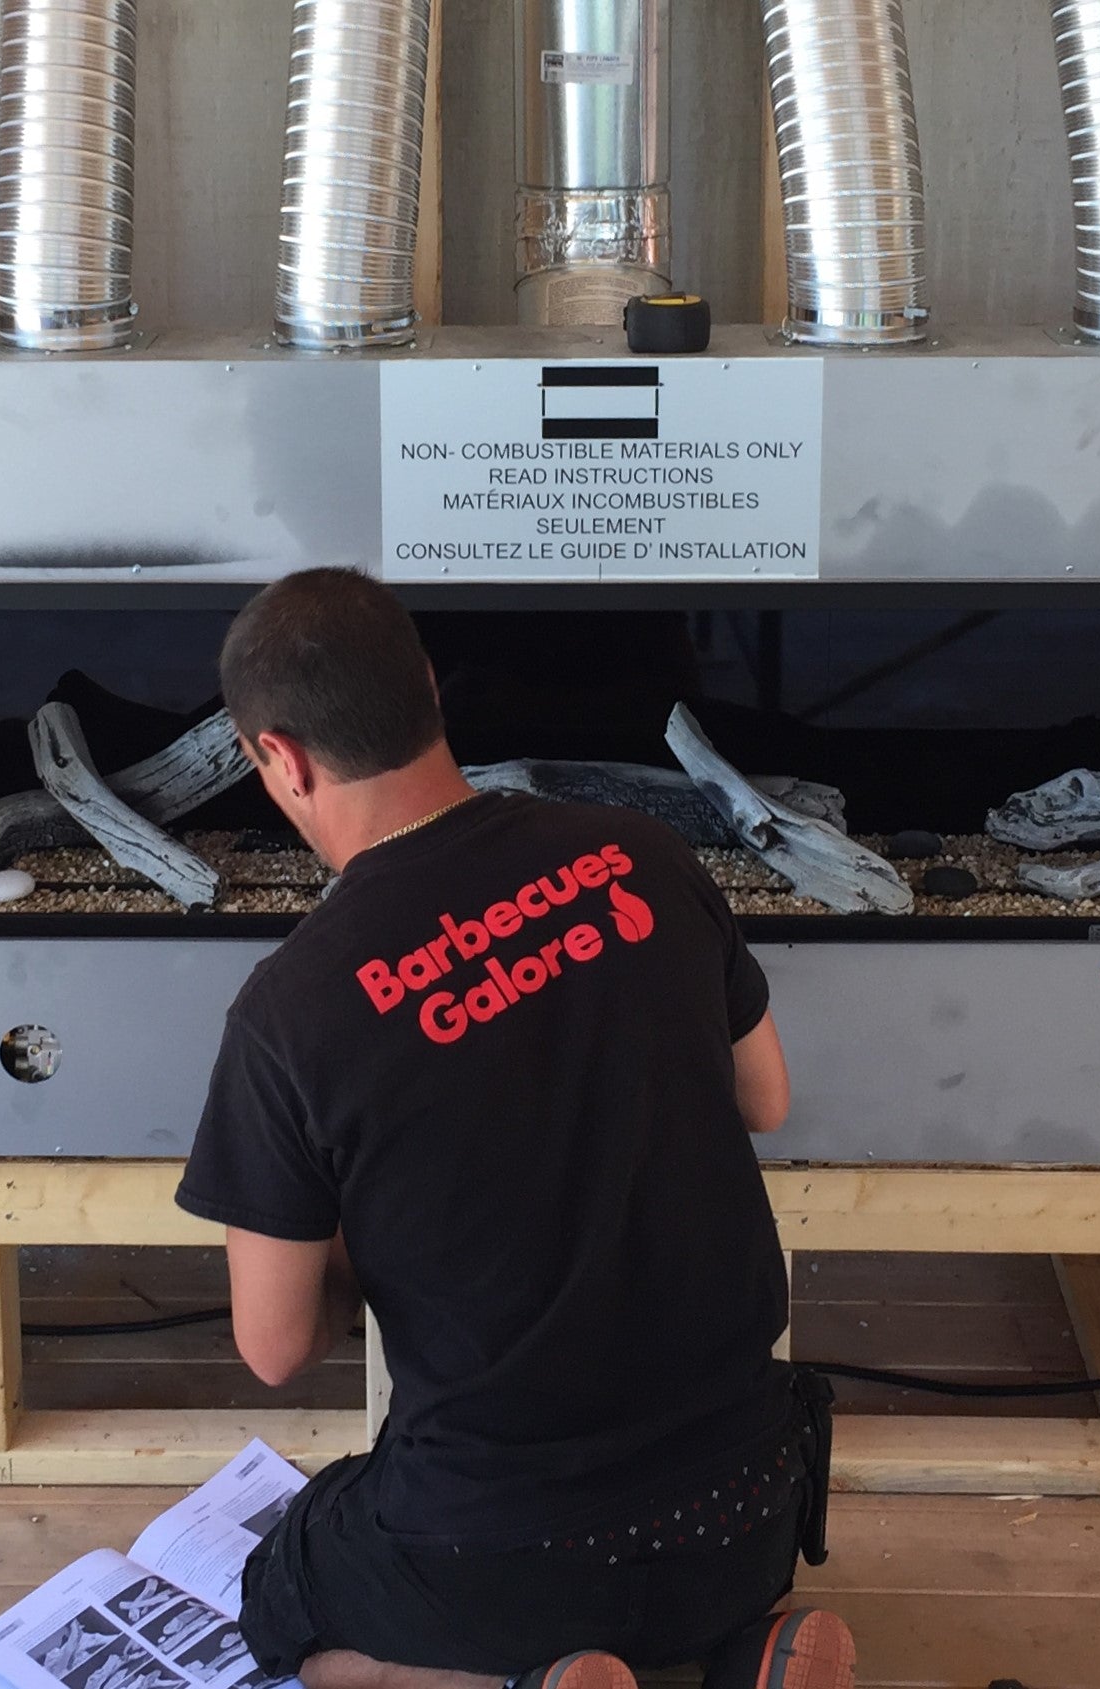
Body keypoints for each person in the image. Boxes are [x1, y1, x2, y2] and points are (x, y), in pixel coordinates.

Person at [175, 569, 853, 1689]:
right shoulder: (640, 855)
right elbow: (765, 1099)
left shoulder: (293, 1007)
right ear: (429, 690)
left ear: (280, 759)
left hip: (504, 1551)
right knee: (663, 1571)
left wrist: (361, 1218)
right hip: (746, 1508)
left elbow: (276, 1345)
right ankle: (748, 1654)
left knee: (281, 1598)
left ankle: (525, 1682)